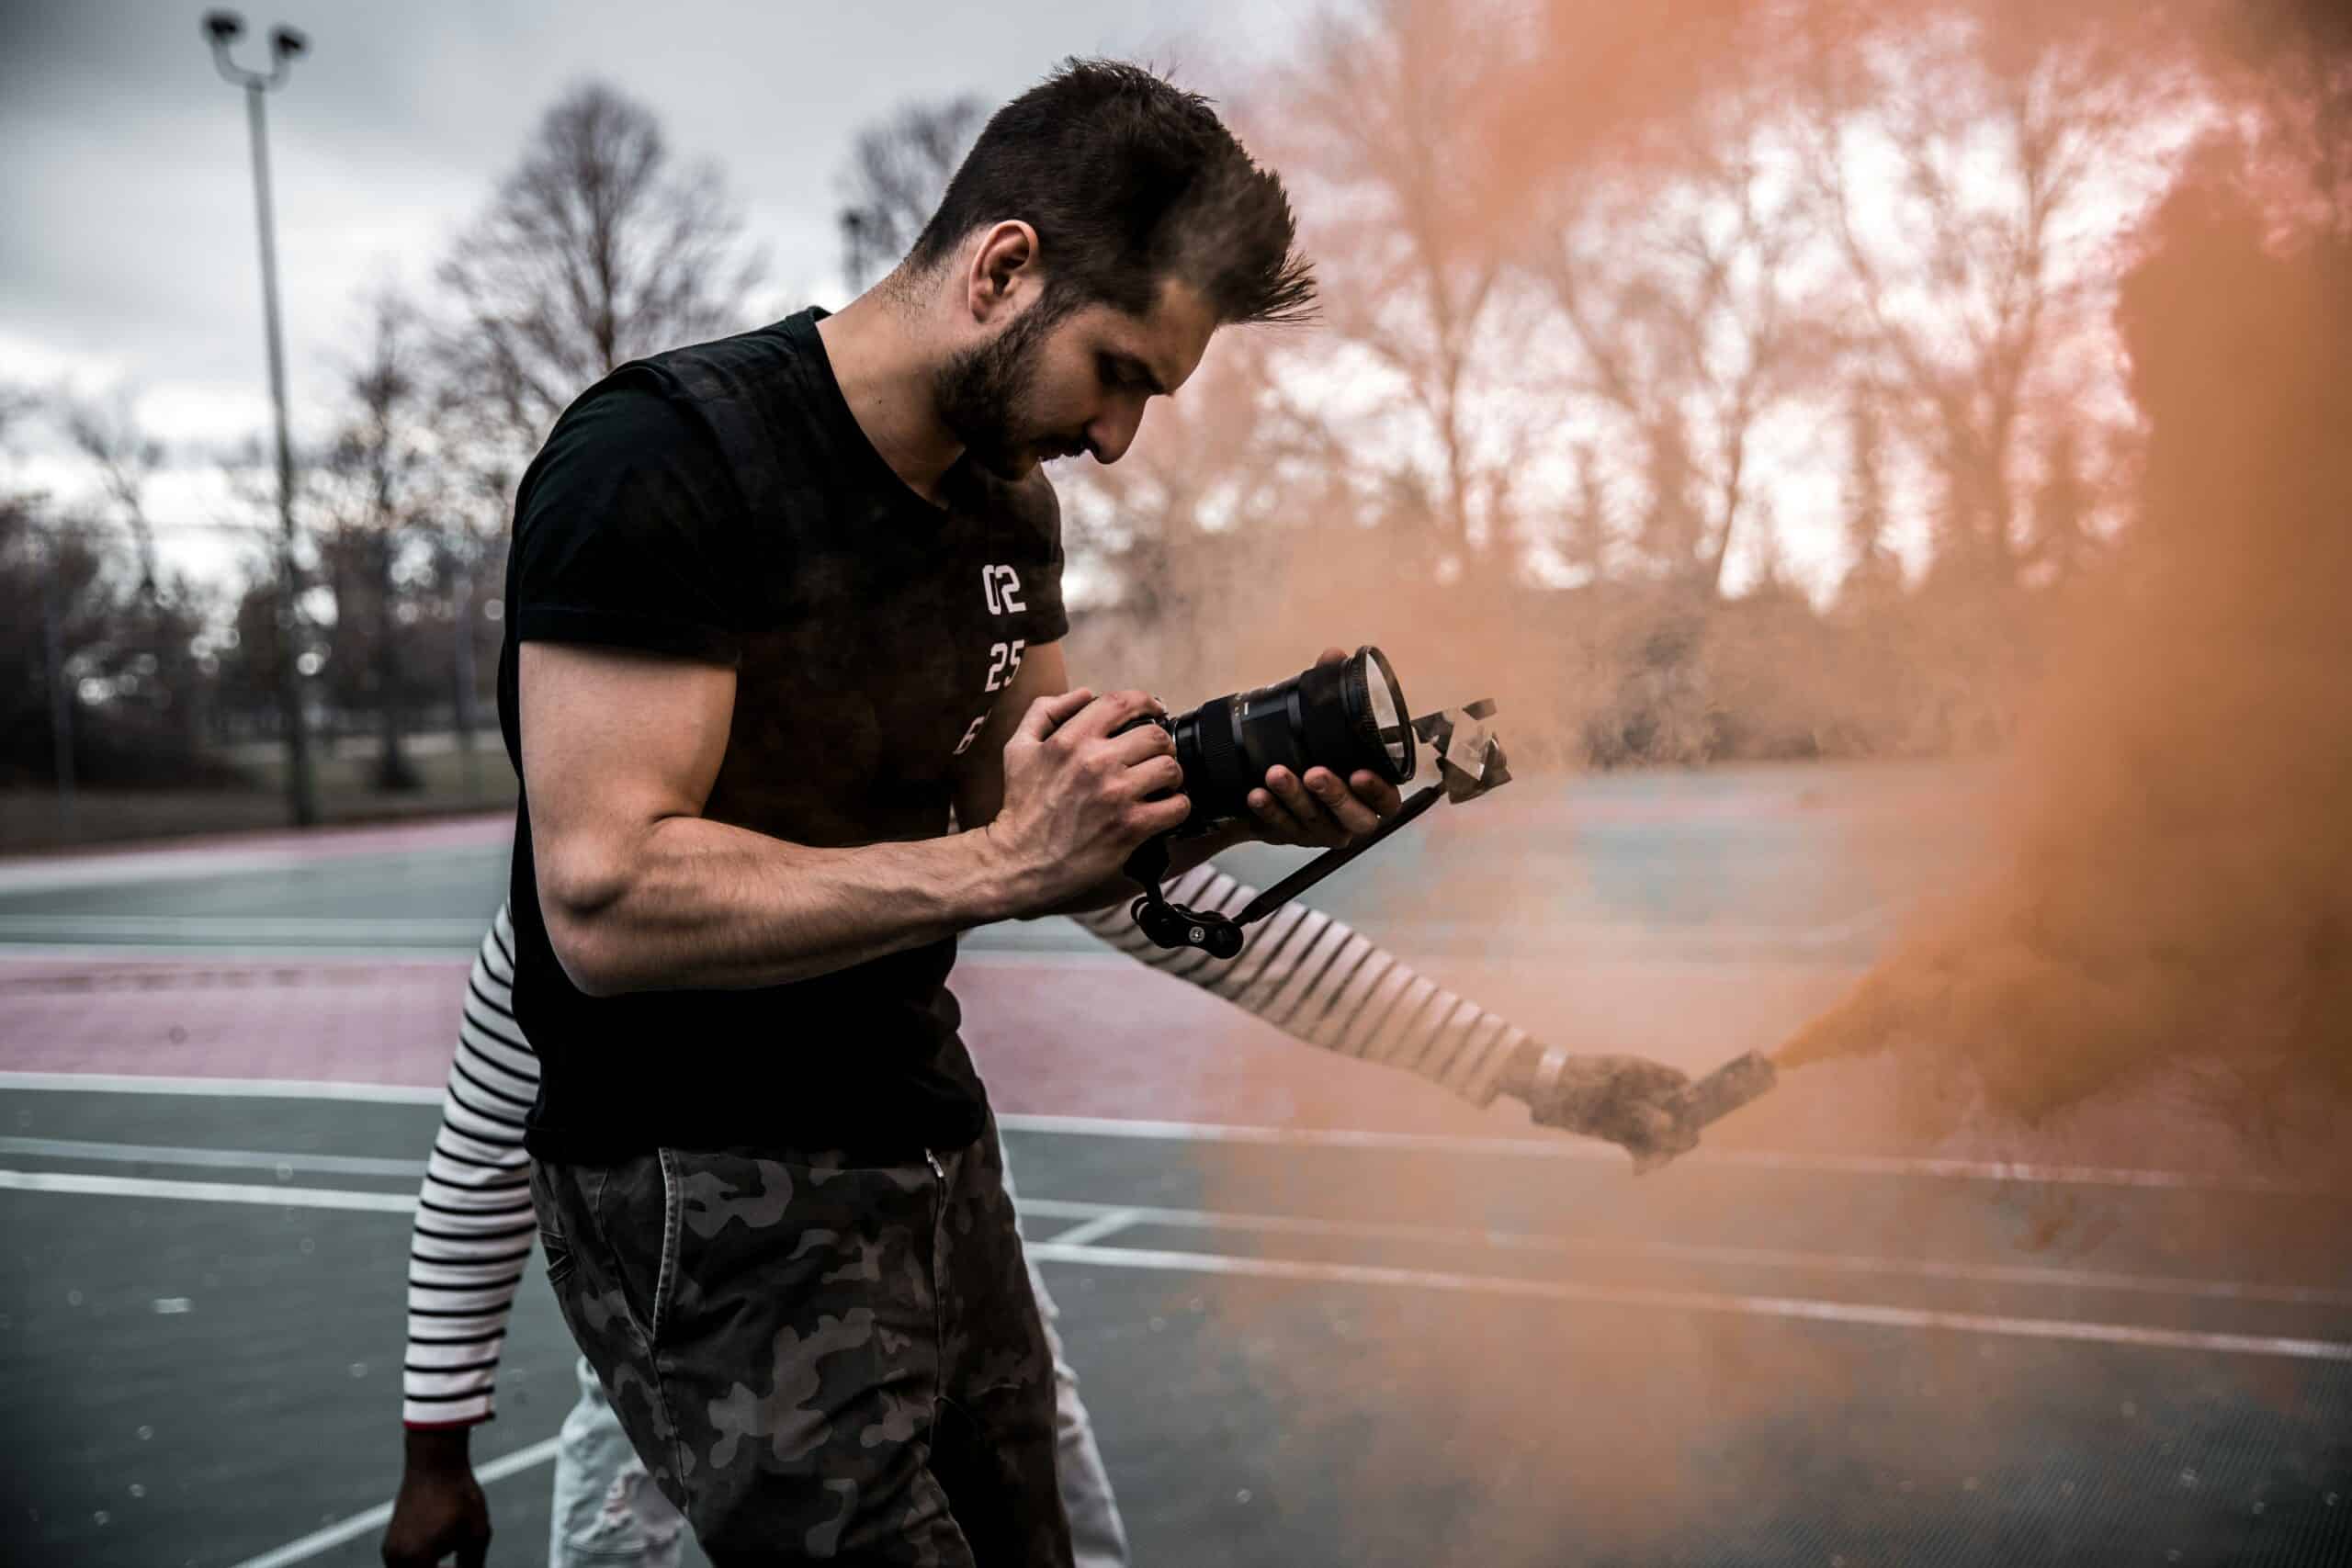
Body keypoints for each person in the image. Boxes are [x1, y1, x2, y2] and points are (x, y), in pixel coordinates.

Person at [416, 59, 1697, 1565]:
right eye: (1122, 372)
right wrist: (435, 1444)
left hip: (930, 1155)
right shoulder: (660, 464)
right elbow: (599, 911)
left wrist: (1220, 821)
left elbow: (1078, 863)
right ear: (1005, 267)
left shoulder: (1002, 509)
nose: (1118, 440)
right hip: (712, 1196)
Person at [382, 884, 1693, 1567]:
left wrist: (1547, 1074)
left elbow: (1225, 928)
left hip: (937, 1227)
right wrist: (435, 1453)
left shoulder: (926, 760)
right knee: (622, 1520)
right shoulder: (572, 900)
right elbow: (482, 1157)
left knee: (1054, 1512)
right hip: (711, 1294)